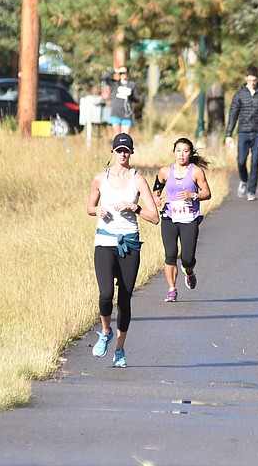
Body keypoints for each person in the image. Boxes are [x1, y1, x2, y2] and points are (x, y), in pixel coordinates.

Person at [87, 132, 160, 368]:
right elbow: (89, 206)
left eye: (126, 150)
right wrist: (96, 210)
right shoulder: (100, 178)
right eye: (119, 150)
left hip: (129, 242)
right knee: (106, 293)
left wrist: (134, 207)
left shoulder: (138, 180)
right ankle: (106, 331)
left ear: (131, 153)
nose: (122, 154)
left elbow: (154, 217)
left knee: (125, 299)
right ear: (113, 151)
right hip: (105, 242)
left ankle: (119, 348)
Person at [153, 138, 211, 302]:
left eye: (185, 151)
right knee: (170, 254)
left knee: (187, 258)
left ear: (190, 153)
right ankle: (172, 289)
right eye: (178, 150)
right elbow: (156, 190)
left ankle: (189, 272)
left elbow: (207, 193)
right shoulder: (165, 171)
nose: (181, 154)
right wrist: (156, 198)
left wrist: (193, 195)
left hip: (189, 218)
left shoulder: (196, 172)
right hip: (169, 217)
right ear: (174, 152)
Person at [223, 66, 258, 201]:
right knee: (241, 161)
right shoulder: (239, 94)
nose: (252, 82)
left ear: (257, 79)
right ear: (246, 78)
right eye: (250, 80)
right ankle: (243, 180)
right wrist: (228, 134)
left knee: (254, 162)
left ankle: (252, 191)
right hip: (243, 132)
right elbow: (233, 115)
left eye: (254, 80)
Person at [106, 66, 138, 134]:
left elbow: (136, 99)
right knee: (117, 137)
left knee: (125, 138)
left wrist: (130, 96)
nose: (123, 74)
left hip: (126, 115)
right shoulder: (115, 84)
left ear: (127, 73)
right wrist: (115, 70)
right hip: (116, 114)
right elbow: (104, 77)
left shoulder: (132, 85)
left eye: (124, 73)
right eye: (121, 73)